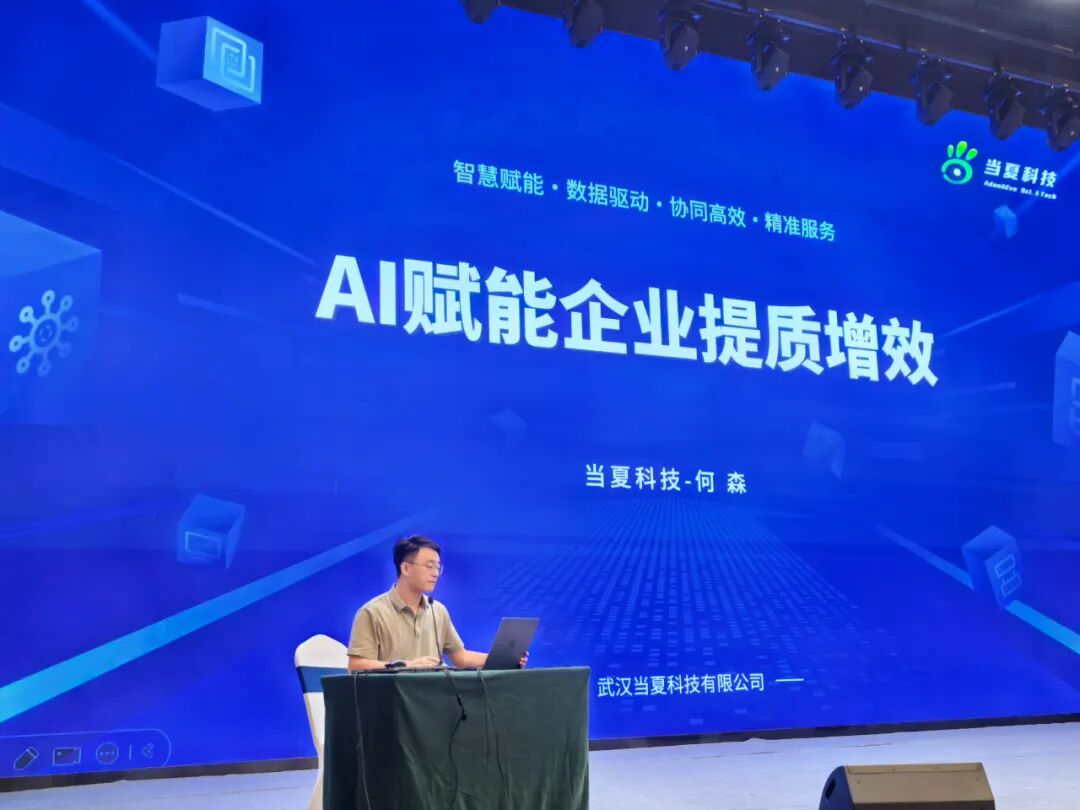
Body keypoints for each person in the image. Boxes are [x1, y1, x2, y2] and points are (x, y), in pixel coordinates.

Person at [347, 535, 528, 671]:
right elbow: (355, 666)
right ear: (406, 568)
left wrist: (502, 659)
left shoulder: (437, 611)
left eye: (437, 567)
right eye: (429, 566)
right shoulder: (372, 612)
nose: (435, 573)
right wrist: (406, 666)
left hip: (433, 701)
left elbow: (460, 658)